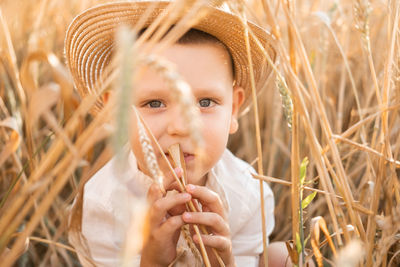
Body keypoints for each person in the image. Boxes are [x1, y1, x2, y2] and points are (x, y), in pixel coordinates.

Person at [65, 1, 289, 266]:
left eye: (205, 102)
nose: (181, 126)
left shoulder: (249, 193)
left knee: (283, 256)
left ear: (233, 109)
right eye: (154, 103)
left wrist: (224, 261)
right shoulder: (102, 204)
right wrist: (152, 261)